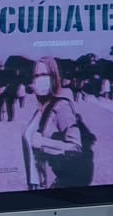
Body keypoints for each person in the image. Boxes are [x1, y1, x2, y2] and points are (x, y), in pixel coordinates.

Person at [23, 57, 95, 190]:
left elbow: (76, 147)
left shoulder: (62, 106)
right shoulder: (40, 110)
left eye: (44, 74)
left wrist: (44, 142)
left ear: (54, 77)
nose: (39, 79)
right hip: (36, 185)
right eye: (36, 75)